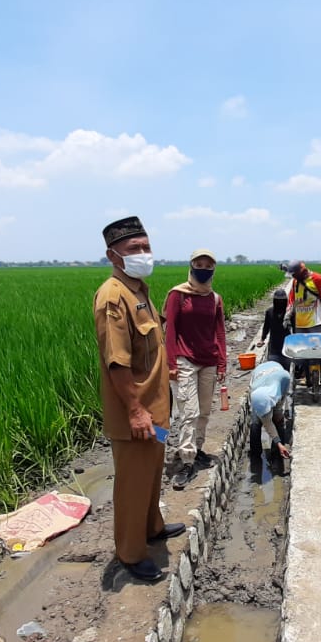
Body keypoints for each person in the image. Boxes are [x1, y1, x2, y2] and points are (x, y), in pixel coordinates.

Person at [93, 216, 186, 582]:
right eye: (135, 249)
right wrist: (135, 411)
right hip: (137, 417)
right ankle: (131, 553)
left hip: (156, 412)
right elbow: (117, 362)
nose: (144, 254)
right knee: (133, 483)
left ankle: (153, 527)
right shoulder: (113, 297)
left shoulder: (139, 290)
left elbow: (148, 348)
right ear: (112, 255)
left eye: (146, 246)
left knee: (152, 472)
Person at [163, 248, 227, 490]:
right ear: (191, 266)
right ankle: (187, 461)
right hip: (184, 359)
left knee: (203, 411)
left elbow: (219, 332)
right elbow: (170, 331)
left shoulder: (215, 298)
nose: (203, 269)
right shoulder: (178, 295)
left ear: (213, 270)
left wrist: (222, 361)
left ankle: (198, 448)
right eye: (199, 264)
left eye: (208, 266)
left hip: (208, 359)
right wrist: (171, 364)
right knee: (188, 411)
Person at [284, 260, 321, 385]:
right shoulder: (295, 281)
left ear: (301, 271)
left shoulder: (318, 279)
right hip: (300, 323)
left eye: (294, 274)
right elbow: (293, 300)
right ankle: (307, 377)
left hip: (315, 322)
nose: (293, 277)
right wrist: (288, 314)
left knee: (318, 352)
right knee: (303, 354)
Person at [248, 359, 293, 459]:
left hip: (275, 369)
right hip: (260, 374)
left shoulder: (284, 378)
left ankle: (277, 454)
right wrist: (279, 443)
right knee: (255, 423)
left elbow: (283, 395)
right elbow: (268, 424)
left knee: (278, 419)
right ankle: (255, 456)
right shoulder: (255, 393)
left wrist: (278, 410)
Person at [259, 289, 291, 371]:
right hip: (274, 348)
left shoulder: (289, 313)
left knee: (287, 372)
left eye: (282, 301)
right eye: (278, 301)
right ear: (274, 301)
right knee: (273, 370)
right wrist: (262, 339)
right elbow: (266, 327)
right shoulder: (269, 312)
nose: (280, 303)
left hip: (287, 348)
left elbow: (296, 327)